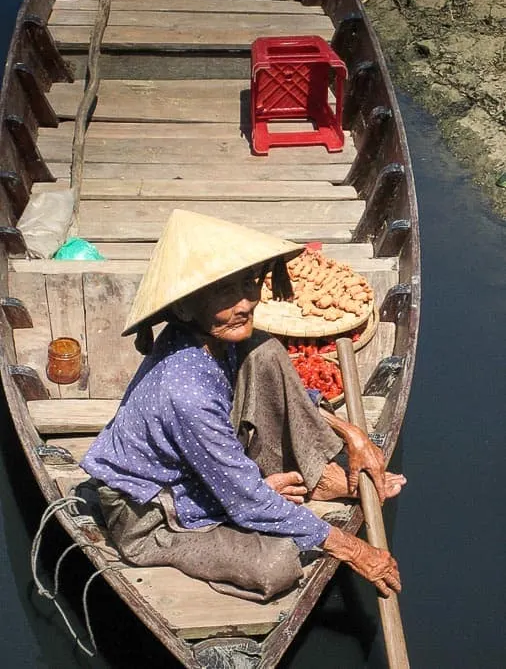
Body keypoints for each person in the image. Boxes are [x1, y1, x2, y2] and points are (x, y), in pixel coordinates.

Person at [81, 209, 406, 602]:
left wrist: (352, 434)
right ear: (183, 308)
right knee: (277, 566)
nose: (245, 303)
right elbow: (247, 504)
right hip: (151, 512)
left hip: (198, 471)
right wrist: (354, 550)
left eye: (248, 285)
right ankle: (268, 491)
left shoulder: (214, 336)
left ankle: (314, 476)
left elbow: (283, 395)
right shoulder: (186, 393)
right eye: (223, 292)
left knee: (264, 349)